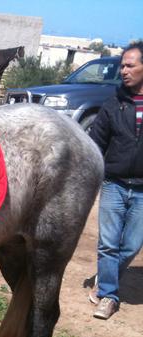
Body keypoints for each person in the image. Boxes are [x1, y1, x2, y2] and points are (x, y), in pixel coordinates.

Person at [89, 40, 143, 320]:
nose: (123, 70)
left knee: (132, 245)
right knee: (108, 244)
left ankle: (105, 276)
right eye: (122, 65)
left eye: (130, 65)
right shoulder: (113, 104)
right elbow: (95, 143)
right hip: (114, 184)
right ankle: (109, 295)